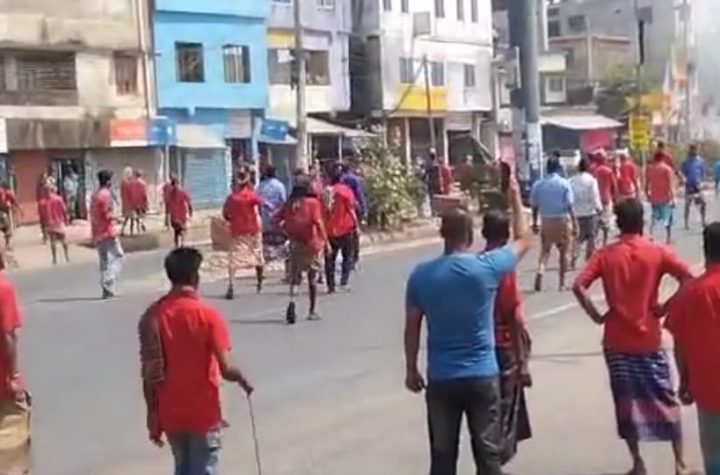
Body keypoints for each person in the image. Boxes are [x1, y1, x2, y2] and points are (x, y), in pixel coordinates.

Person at [404, 175, 532, 475]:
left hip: (441, 378)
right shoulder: (486, 268)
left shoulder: (421, 275)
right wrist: (514, 196)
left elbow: (412, 328)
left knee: (442, 457)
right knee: (488, 455)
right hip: (482, 374)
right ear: (470, 235)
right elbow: (525, 240)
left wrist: (411, 369)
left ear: (442, 234)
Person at [572, 198, 693, 475]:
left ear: (618, 222)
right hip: (649, 337)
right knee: (666, 398)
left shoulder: (606, 255)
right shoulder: (656, 251)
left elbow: (578, 285)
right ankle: (679, 462)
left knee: (626, 402)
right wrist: (666, 306)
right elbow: (688, 278)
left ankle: (638, 461)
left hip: (616, 340)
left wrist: (596, 315)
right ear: (642, 221)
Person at [138, 247, 253, 475]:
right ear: (194, 277)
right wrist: (242, 380)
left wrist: (152, 415)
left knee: (183, 468)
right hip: (204, 412)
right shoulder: (207, 316)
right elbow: (227, 369)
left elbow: (149, 373)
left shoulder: (153, 316)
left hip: (171, 412)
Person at [666, 222, 720, 475]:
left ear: (705, 250)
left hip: (709, 388)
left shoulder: (691, 292)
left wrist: (684, 382)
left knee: (714, 454)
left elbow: (680, 341)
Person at [481, 210, 533, 466]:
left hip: (483, 344)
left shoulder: (478, 263)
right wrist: (522, 362)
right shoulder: (503, 266)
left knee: (490, 409)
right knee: (504, 408)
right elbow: (512, 315)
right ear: (506, 235)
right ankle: (496, 464)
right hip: (504, 344)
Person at [273, 178, 327, 324]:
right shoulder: (313, 203)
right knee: (312, 278)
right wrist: (326, 242)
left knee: (295, 279)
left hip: (295, 244)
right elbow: (318, 223)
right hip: (311, 244)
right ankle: (312, 310)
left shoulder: (289, 205)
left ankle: (292, 302)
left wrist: (285, 229)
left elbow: (275, 219)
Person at [0, 250, 30, 473]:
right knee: (13, 444)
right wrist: (14, 376)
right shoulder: (4, 289)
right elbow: (8, 336)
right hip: (2, 381)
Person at [530, 157, 577, 292]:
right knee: (563, 252)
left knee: (545, 250)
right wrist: (575, 223)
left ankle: (541, 270)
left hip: (546, 220)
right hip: (561, 220)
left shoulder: (538, 184)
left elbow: (534, 206)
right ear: (558, 168)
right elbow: (569, 206)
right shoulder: (564, 183)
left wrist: (535, 222)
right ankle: (561, 283)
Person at [222, 171, 264, 299]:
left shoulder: (231, 198)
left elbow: (225, 215)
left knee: (234, 258)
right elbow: (262, 205)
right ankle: (259, 283)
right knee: (257, 255)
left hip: (237, 230)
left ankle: (231, 284)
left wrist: (233, 220)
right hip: (253, 230)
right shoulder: (252, 196)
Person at [324, 167, 358, 293]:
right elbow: (351, 209)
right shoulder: (345, 191)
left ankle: (330, 286)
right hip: (345, 228)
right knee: (347, 256)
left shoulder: (325, 192)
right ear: (341, 178)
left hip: (329, 230)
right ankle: (343, 282)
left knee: (329, 259)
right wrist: (356, 226)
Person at [91, 170, 124, 299]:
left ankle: (107, 289)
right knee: (118, 255)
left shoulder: (95, 195)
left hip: (97, 232)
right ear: (109, 181)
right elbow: (106, 214)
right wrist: (117, 219)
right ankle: (107, 281)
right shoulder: (106, 195)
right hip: (107, 231)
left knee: (104, 261)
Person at [570, 158, 602, 268]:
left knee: (578, 237)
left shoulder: (571, 180)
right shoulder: (591, 180)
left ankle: (574, 255)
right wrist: (599, 208)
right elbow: (595, 196)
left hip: (576, 213)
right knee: (591, 237)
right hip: (590, 212)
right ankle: (588, 259)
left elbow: (569, 197)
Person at [256, 165, 288, 266]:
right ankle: (278, 257)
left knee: (265, 239)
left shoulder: (260, 186)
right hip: (276, 216)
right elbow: (283, 201)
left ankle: (267, 258)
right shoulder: (280, 186)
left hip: (264, 216)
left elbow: (257, 201)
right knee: (278, 239)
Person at [646, 150, 677, 244]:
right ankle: (668, 238)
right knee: (667, 219)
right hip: (665, 198)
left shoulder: (650, 169)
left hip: (654, 197)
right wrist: (673, 197)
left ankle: (651, 235)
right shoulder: (667, 169)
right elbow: (670, 184)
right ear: (663, 158)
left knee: (654, 217)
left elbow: (647, 183)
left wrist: (647, 194)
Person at [341, 161, 366, 268]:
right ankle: (353, 257)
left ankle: (348, 257)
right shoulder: (354, 179)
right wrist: (363, 209)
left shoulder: (340, 179)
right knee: (354, 233)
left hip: (342, 209)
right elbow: (359, 195)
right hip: (354, 207)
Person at [38, 184, 69, 265]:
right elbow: (64, 210)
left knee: (53, 241)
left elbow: (42, 216)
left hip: (50, 223)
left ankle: (54, 259)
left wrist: (43, 226)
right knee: (63, 239)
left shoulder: (42, 202)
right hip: (59, 222)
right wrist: (66, 220)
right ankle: (67, 256)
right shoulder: (59, 199)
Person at [592, 151, 617, 246]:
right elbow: (614, 186)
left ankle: (594, 241)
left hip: (595, 200)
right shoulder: (608, 170)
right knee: (606, 222)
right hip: (606, 198)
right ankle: (605, 242)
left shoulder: (593, 170)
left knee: (596, 222)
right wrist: (615, 198)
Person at [680, 144, 707, 230]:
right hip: (689, 186)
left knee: (703, 203)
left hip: (698, 186)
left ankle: (703, 221)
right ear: (690, 150)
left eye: (696, 150)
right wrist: (683, 179)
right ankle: (686, 223)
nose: (695, 151)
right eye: (693, 149)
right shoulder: (685, 161)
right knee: (687, 205)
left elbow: (702, 172)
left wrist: (703, 182)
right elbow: (681, 172)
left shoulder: (700, 161)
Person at [165, 177, 193, 248]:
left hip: (174, 217)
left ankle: (177, 246)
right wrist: (190, 213)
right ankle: (182, 244)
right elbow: (189, 203)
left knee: (176, 232)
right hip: (181, 215)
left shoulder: (170, 193)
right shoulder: (183, 191)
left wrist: (166, 218)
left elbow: (167, 206)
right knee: (183, 230)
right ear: (178, 183)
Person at [0, 182, 19, 249]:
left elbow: (14, 201)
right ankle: (6, 245)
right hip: (3, 212)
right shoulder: (4, 192)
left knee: (7, 228)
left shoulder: (7, 193)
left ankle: (7, 244)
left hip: (4, 212)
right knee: (7, 227)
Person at [131, 169, 149, 234]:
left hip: (135, 202)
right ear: (141, 175)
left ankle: (138, 229)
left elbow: (131, 193)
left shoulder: (133, 183)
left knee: (137, 215)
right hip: (142, 202)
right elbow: (145, 193)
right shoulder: (143, 183)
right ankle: (142, 223)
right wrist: (147, 202)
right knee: (143, 214)